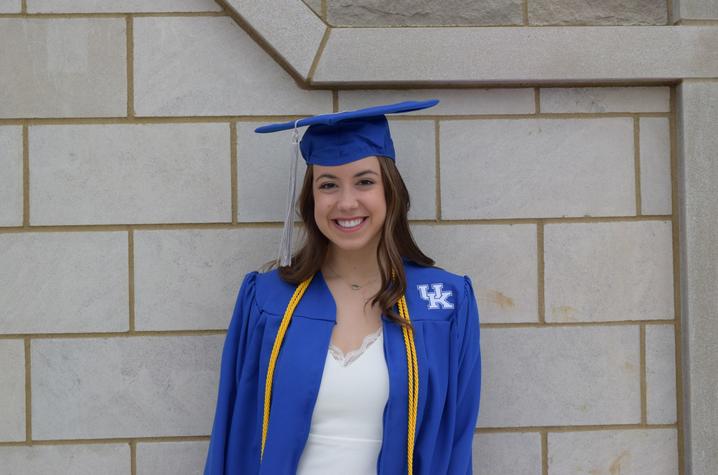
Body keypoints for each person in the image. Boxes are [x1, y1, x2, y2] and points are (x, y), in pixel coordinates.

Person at [204, 100, 482, 474]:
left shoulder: (444, 302)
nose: (346, 202)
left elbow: (455, 439)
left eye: (365, 181)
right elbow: (232, 434)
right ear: (311, 199)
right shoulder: (267, 299)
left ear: (390, 193)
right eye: (328, 185)